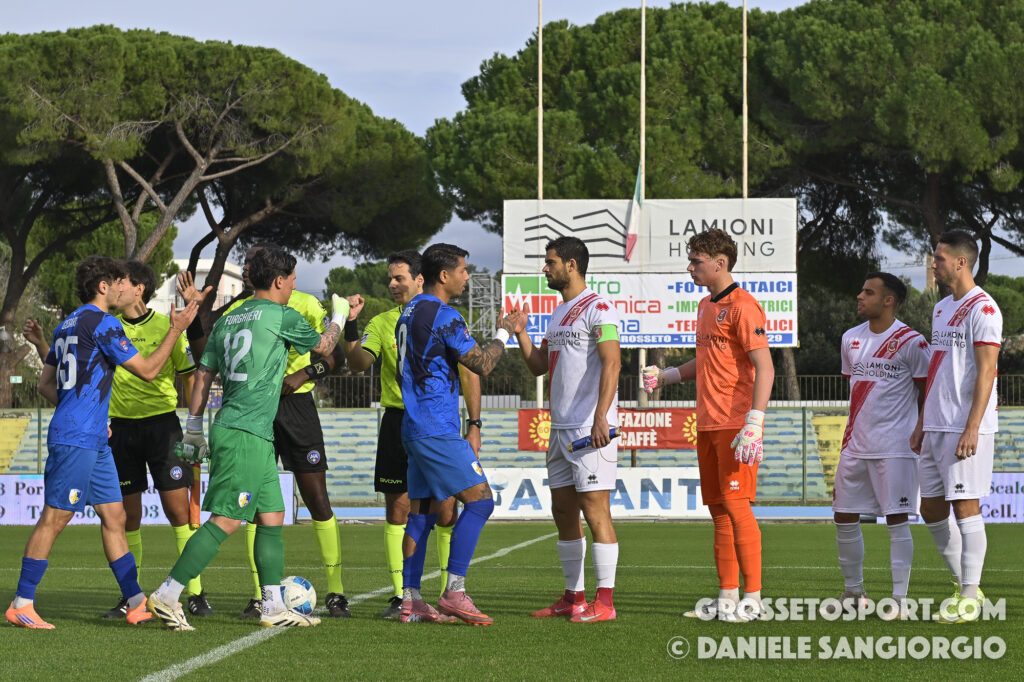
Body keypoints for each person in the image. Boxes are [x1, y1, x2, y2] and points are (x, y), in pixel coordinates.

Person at [147, 247, 347, 631]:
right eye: (292, 280)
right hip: (246, 433)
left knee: (272, 516)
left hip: (247, 429)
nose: (293, 287)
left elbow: (203, 373)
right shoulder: (281, 314)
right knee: (226, 520)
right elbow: (324, 348)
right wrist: (338, 316)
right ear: (279, 281)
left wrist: (194, 426)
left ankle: (272, 605)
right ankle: (168, 594)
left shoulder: (228, 319)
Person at [6, 256, 198, 629]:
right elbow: (148, 371)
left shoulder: (66, 324)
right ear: (103, 286)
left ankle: (136, 602)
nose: (123, 286)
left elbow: (46, 385)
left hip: (92, 437)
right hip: (77, 438)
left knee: (115, 516)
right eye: (118, 281)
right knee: (55, 517)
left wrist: (87, 413)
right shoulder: (104, 323)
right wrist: (176, 329)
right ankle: (22, 603)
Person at [642, 228, 775, 622]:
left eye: (696, 261)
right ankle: (727, 597)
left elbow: (765, 367)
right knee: (718, 511)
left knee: (736, 507)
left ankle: (754, 599)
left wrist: (755, 422)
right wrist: (666, 377)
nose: (690, 267)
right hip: (708, 424)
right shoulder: (705, 306)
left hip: (736, 425)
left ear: (720, 263)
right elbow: (705, 360)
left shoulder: (744, 306)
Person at [342, 250, 468, 618]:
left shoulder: (443, 316)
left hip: (436, 422)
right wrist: (351, 324)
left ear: (420, 279)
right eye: (390, 279)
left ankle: (449, 592)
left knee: (447, 509)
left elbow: (468, 369)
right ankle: (403, 597)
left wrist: (474, 422)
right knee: (398, 508)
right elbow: (358, 363)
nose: (392, 284)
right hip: (398, 421)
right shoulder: (383, 322)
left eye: (399, 278)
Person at [395, 243, 515, 625]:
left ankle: (411, 600)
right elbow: (481, 364)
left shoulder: (408, 312)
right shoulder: (443, 314)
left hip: (414, 427)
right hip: (436, 427)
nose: (467, 277)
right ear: (444, 275)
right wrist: (505, 332)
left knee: (421, 515)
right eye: (463, 270)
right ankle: (455, 592)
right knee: (481, 503)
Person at [507, 236, 621, 623]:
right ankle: (574, 597)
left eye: (551, 262)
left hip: (589, 429)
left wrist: (602, 416)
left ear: (571, 265)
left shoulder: (599, 307)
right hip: (559, 429)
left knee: (595, 510)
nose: (545, 268)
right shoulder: (558, 313)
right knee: (562, 511)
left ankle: (605, 603)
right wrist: (521, 332)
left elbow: (613, 362)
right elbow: (539, 365)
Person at [911, 230, 1001, 624]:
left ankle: (968, 595)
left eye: (940, 258)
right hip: (935, 423)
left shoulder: (984, 309)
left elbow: (987, 372)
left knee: (965, 507)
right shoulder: (942, 308)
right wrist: (922, 421)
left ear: (961, 262)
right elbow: (938, 368)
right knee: (930, 508)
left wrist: (972, 427)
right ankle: (967, 585)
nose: (934, 264)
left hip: (965, 426)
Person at [828, 273, 929, 617]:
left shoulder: (912, 342)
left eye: (868, 292)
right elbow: (856, 388)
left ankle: (899, 601)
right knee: (843, 516)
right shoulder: (850, 338)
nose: (860, 296)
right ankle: (854, 593)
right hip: (855, 444)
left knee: (896, 520)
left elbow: (928, 391)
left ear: (889, 301)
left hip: (895, 447)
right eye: (861, 290)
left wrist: (920, 429)